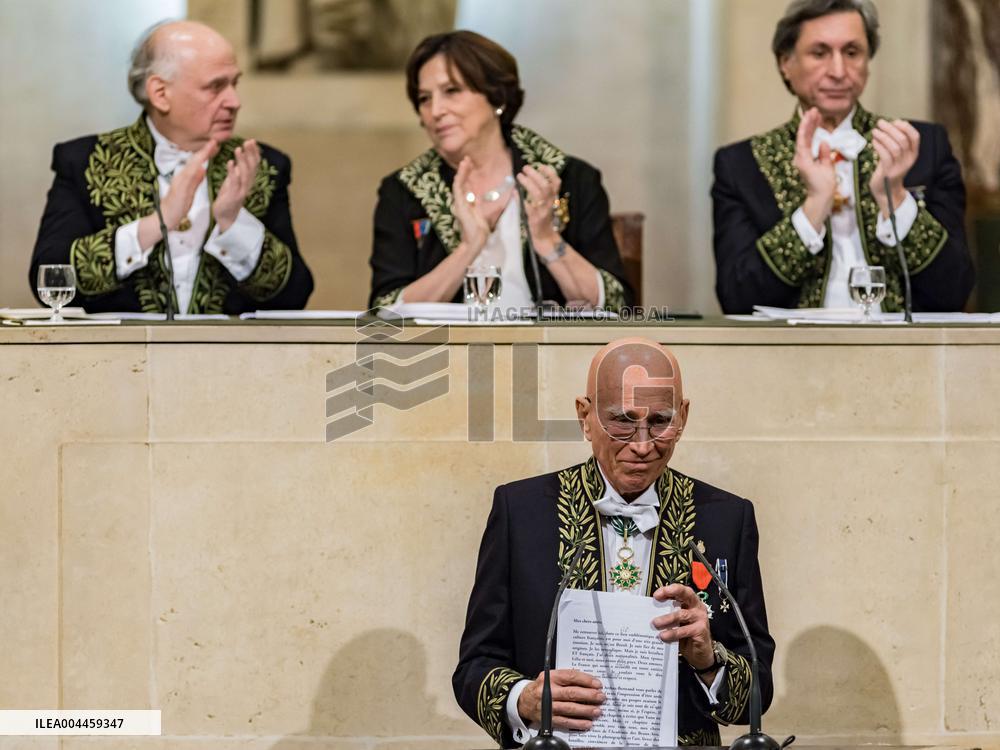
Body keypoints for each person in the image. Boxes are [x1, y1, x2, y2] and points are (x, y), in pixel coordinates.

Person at [453, 337, 774, 747]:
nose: (642, 445)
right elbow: (474, 667)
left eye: (660, 421)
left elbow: (758, 685)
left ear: (685, 415)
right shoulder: (521, 511)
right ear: (584, 416)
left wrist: (709, 659)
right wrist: (524, 700)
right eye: (622, 420)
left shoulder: (726, 518)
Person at [30, 20, 313, 315]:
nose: (234, 101)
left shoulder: (261, 166)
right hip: (117, 358)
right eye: (215, 86)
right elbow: (50, 282)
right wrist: (157, 223)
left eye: (234, 83)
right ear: (160, 93)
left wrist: (233, 223)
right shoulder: (84, 161)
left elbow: (294, 296)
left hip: (231, 358)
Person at [712, 0, 974, 314]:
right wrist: (812, 209)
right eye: (819, 53)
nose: (838, 71)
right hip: (790, 355)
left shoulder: (920, 146)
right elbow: (736, 298)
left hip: (907, 354)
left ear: (867, 60)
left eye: (852, 53)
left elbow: (955, 290)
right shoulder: (742, 164)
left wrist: (896, 199)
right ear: (786, 63)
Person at [368, 31, 633, 313]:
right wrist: (468, 248)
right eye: (424, 98)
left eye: (452, 91)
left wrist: (546, 239)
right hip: (447, 355)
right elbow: (384, 312)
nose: (435, 110)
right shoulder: (403, 191)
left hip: (548, 354)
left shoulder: (569, 179)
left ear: (496, 97)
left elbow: (617, 305)